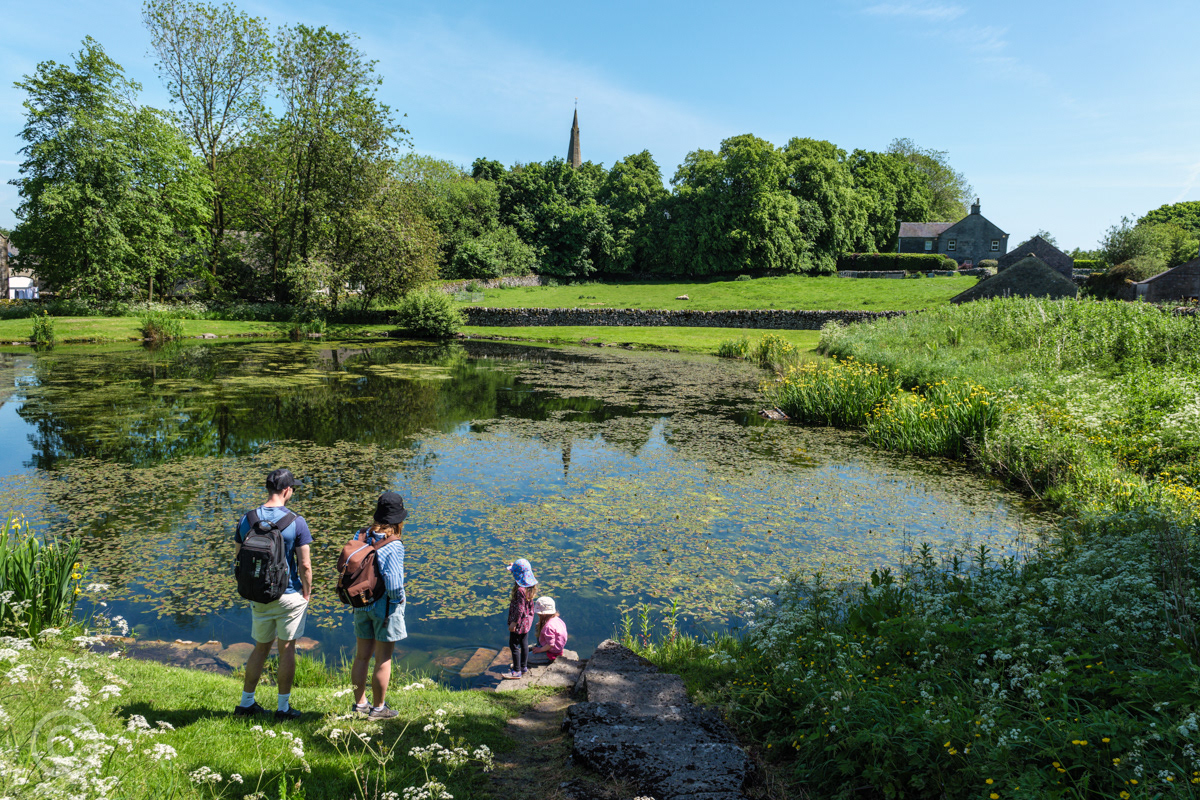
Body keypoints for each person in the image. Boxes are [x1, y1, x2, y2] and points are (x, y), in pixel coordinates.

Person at [233, 468, 312, 720]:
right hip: (288, 595)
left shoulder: (247, 518)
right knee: (287, 648)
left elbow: (238, 557)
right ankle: (283, 708)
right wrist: (306, 593)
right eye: (293, 489)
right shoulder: (296, 522)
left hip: (258, 594)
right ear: (287, 490)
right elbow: (305, 565)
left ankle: (246, 704)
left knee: (260, 648)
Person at [349, 492, 408, 720]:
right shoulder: (394, 545)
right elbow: (393, 583)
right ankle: (379, 708)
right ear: (398, 520)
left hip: (360, 603)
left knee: (361, 656)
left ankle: (360, 704)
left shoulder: (361, 534)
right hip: (384, 608)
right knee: (383, 658)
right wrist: (398, 600)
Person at [502, 558, 537, 679]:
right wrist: (514, 567)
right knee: (524, 643)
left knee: (513, 645)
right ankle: (523, 666)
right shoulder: (529, 587)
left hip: (519, 622)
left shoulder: (520, 591)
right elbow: (521, 571)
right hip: (527, 622)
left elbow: (520, 609)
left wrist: (513, 623)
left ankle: (517, 671)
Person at [530, 596, 568, 663]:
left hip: (553, 651)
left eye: (539, 614)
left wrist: (540, 650)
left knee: (528, 658)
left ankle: (551, 659)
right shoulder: (558, 620)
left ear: (543, 615)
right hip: (558, 646)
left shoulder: (548, 627)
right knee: (538, 626)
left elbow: (550, 645)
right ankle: (540, 646)